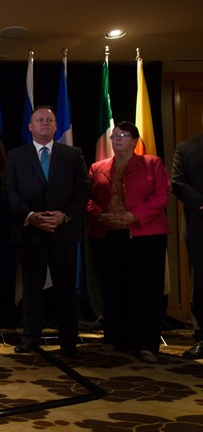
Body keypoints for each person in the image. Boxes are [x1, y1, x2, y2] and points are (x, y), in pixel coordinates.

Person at [4, 105, 89, 359]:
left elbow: (83, 190)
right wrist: (31, 216)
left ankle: (69, 340)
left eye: (49, 120)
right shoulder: (16, 156)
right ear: (30, 127)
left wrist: (65, 215)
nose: (44, 123)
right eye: (39, 120)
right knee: (31, 288)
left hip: (63, 232)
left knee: (65, 288)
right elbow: (9, 192)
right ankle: (30, 337)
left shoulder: (73, 155)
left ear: (55, 126)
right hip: (31, 233)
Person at [87, 121, 170, 364]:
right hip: (108, 235)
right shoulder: (97, 167)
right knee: (113, 288)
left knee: (145, 290)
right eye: (114, 136)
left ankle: (146, 344)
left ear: (135, 141)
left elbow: (161, 196)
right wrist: (100, 215)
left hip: (145, 236)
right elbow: (86, 198)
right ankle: (114, 339)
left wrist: (135, 216)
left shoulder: (152, 164)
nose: (118, 139)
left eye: (123, 135)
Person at [172, 129, 203, 359]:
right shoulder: (186, 147)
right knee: (200, 284)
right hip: (199, 226)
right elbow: (178, 182)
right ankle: (201, 337)